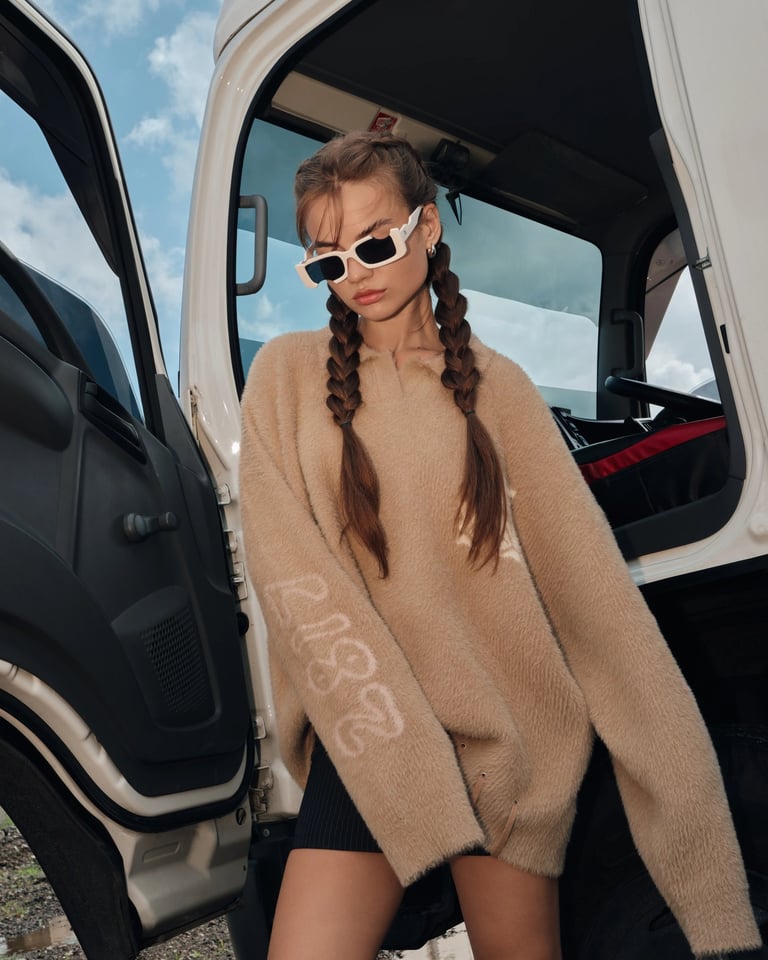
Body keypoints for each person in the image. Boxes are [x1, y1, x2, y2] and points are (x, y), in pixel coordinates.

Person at [238, 131, 762, 960]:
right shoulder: (286, 378)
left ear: (426, 230)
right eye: (328, 260)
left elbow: (598, 612)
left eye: (374, 243)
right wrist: (403, 765)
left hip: (510, 753)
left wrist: (719, 921)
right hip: (374, 740)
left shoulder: (503, 389)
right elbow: (294, 583)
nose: (357, 274)